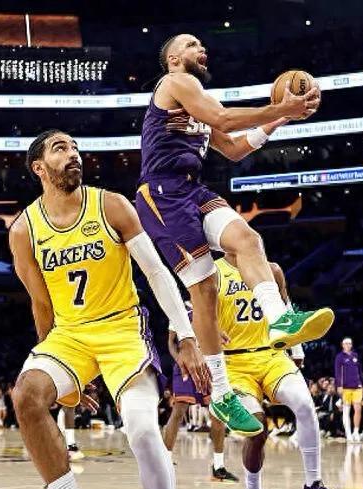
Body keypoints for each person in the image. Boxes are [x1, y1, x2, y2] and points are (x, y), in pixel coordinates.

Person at [9, 129, 210, 489]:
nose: (73, 154)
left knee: (142, 430)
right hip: (69, 337)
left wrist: (185, 334)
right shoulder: (23, 230)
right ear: (39, 167)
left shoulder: (112, 205)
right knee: (26, 395)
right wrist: (58, 374)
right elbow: (41, 305)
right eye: (60, 148)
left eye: (75, 147)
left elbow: (156, 273)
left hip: (122, 329)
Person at [135, 34, 332, 436]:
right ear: (173, 58)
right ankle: (222, 393)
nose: (201, 48)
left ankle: (280, 319)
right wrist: (282, 106)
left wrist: (279, 120)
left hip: (192, 189)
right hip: (162, 194)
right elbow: (224, 119)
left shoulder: (197, 99)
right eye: (192, 44)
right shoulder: (175, 82)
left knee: (249, 241)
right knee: (205, 289)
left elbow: (233, 148)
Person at [191, 253, 349, 489]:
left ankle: (314, 487)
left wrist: (296, 349)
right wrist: (204, 332)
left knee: (305, 404)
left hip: (271, 355)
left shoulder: (272, 270)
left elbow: (286, 308)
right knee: (257, 428)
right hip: (233, 362)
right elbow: (196, 315)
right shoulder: (213, 273)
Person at [161, 311, 240, 483]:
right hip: (186, 366)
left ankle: (218, 467)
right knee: (178, 412)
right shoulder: (181, 310)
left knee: (218, 414)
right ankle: (165, 460)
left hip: (209, 366)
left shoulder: (213, 311)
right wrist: (179, 359)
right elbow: (171, 342)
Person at [333, 338, 363, 442]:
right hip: (345, 388)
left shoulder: (355, 355)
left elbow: (360, 371)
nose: (348, 345)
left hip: (357, 387)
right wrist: (339, 385)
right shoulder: (339, 357)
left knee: (358, 409)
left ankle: (356, 432)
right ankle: (348, 434)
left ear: (351, 345)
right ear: (342, 345)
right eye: (346, 343)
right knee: (346, 411)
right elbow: (337, 372)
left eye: (349, 343)